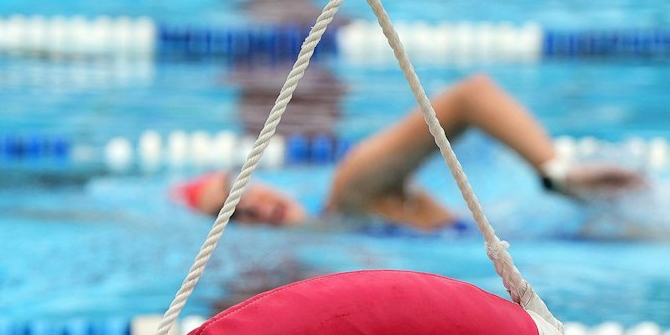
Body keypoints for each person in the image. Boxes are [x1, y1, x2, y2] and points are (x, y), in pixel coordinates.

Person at [171, 73, 645, 232]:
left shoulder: (351, 189)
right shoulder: (343, 224)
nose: (249, 206)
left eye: (240, 191)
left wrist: (558, 173)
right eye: (230, 216)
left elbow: (470, 96)